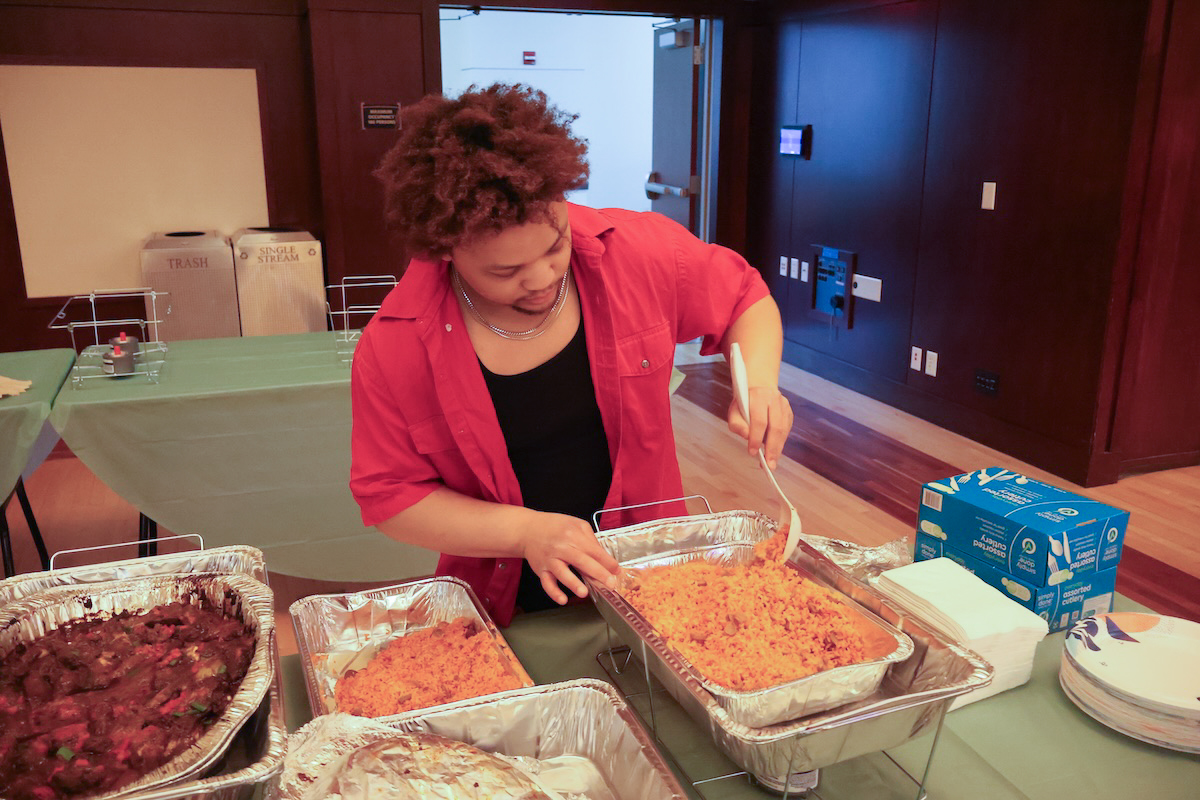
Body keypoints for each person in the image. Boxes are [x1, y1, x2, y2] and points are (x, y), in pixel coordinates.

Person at [349, 83, 794, 626]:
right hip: (507, 604)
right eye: (504, 272)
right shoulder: (397, 342)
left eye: (555, 245)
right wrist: (525, 532)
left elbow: (744, 297)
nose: (541, 279)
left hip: (656, 577)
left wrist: (762, 385)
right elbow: (392, 497)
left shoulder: (635, 251)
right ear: (445, 249)